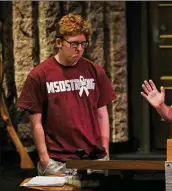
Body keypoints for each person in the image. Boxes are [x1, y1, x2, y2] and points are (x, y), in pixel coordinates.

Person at [17, 13, 116, 175]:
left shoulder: (94, 71)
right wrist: (44, 159)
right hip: (57, 160)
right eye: (74, 44)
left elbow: (102, 115)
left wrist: (105, 150)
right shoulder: (40, 75)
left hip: (93, 157)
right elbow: (36, 123)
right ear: (59, 43)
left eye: (84, 44)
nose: (79, 49)